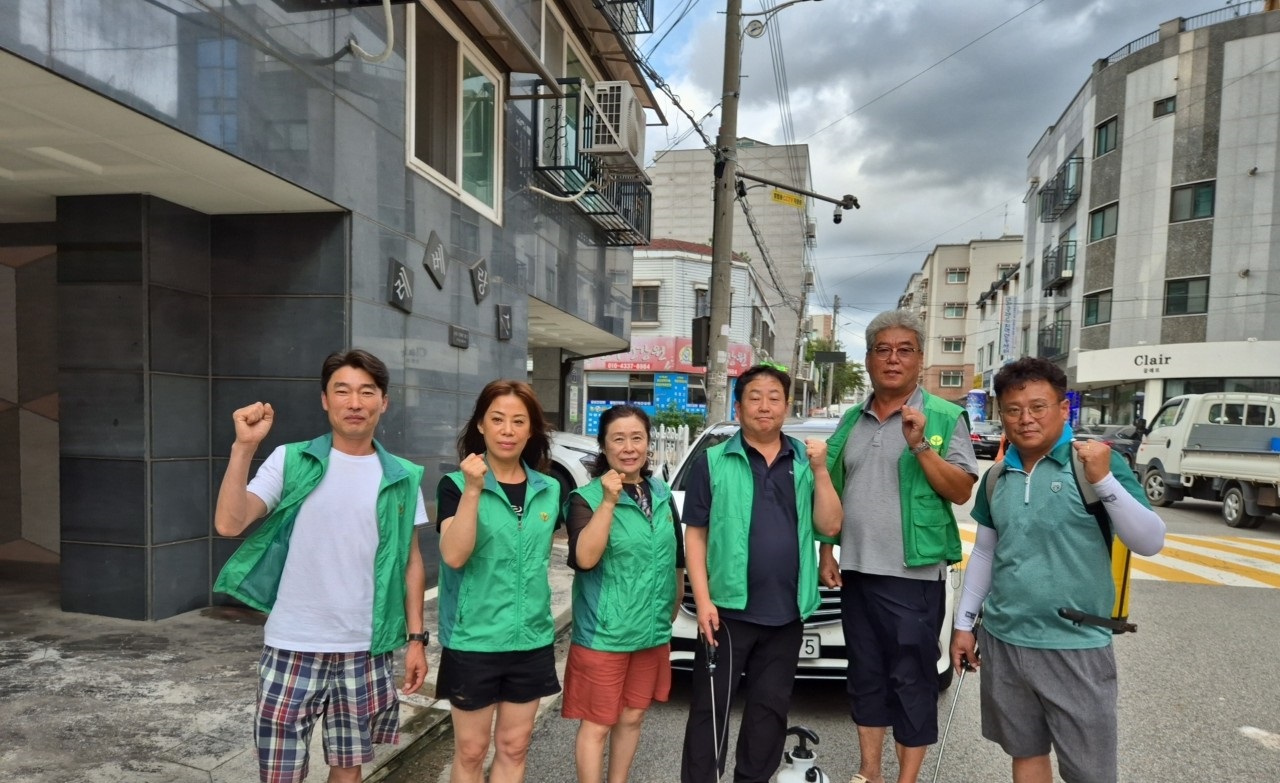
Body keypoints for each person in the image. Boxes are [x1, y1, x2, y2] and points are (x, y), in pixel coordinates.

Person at [213, 349, 429, 783]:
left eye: (367, 392)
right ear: (324, 400)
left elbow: (410, 561)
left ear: (383, 402)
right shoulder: (291, 460)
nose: (355, 402)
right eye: (342, 391)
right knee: (280, 773)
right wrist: (244, 448)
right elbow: (229, 522)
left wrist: (416, 638)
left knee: (348, 770)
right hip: (292, 643)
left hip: (365, 648)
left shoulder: (402, 475)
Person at [949, 358, 1165, 783]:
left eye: (1038, 406)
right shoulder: (997, 477)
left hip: (1076, 645)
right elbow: (987, 555)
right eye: (1013, 409)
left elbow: (1150, 541)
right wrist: (963, 624)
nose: (1025, 419)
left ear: (1063, 409)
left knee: (1090, 772)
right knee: (1025, 753)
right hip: (1006, 640)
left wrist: (1104, 480)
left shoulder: (1095, 465)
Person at [818, 309, 978, 783]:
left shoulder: (945, 417)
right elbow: (834, 486)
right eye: (882, 349)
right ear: (867, 359)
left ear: (920, 359)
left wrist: (921, 447)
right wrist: (828, 549)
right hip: (858, 573)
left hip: (913, 576)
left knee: (912, 679)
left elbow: (961, 490)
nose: (893, 359)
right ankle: (870, 773)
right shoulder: (852, 418)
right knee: (865, 676)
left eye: (904, 350)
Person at [680, 363, 844, 783]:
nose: (764, 406)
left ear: (787, 406)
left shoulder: (806, 463)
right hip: (727, 614)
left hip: (787, 613)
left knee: (769, 712)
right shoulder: (714, 461)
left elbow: (829, 526)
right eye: (754, 397)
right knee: (709, 713)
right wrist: (703, 602)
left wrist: (823, 470)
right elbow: (695, 537)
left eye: (774, 397)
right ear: (738, 408)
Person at [435, 380, 562, 783]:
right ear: (481, 426)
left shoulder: (550, 488)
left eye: (518, 421)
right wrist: (474, 489)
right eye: (498, 419)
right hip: (474, 640)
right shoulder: (454, 486)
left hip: (531, 641)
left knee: (514, 747)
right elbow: (454, 555)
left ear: (531, 431)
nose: (507, 430)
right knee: (471, 753)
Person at [562, 404, 685, 783]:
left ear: (649, 443)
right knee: (598, 723)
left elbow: (676, 559)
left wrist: (673, 604)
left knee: (633, 716)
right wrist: (610, 500)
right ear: (603, 445)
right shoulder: (586, 498)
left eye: (637, 438)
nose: (629, 447)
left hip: (650, 630)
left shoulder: (662, 494)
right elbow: (584, 558)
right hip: (605, 633)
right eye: (618, 439)